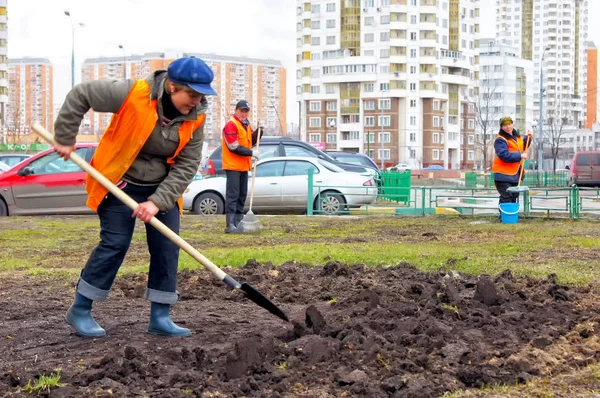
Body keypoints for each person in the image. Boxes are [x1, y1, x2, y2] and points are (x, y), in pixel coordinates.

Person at [53, 56, 216, 338]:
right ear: (172, 86)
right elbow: (81, 94)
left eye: (201, 94)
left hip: (162, 187)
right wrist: (65, 137)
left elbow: (188, 164)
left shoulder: (197, 116)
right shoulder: (132, 93)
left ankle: (160, 316)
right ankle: (80, 309)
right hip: (119, 182)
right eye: (191, 94)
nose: (196, 100)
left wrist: (156, 202)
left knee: (167, 246)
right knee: (115, 243)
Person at [221, 100, 262, 233]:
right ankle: (230, 225)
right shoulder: (231, 125)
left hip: (244, 166)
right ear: (236, 111)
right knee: (233, 195)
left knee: (241, 195)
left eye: (246, 111)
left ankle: (238, 222)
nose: (244, 114)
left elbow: (251, 140)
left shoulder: (246, 125)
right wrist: (251, 153)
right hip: (233, 166)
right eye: (242, 111)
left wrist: (260, 132)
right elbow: (233, 146)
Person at [492, 116, 532, 206]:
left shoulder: (517, 137)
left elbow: (522, 146)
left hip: (514, 173)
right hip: (502, 175)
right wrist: (520, 155)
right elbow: (504, 155)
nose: (508, 127)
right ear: (501, 127)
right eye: (505, 125)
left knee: (514, 196)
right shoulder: (500, 140)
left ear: (512, 124)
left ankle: (511, 217)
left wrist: (528, 137)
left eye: (509, 124)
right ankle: (505, 217)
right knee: (507, 196)